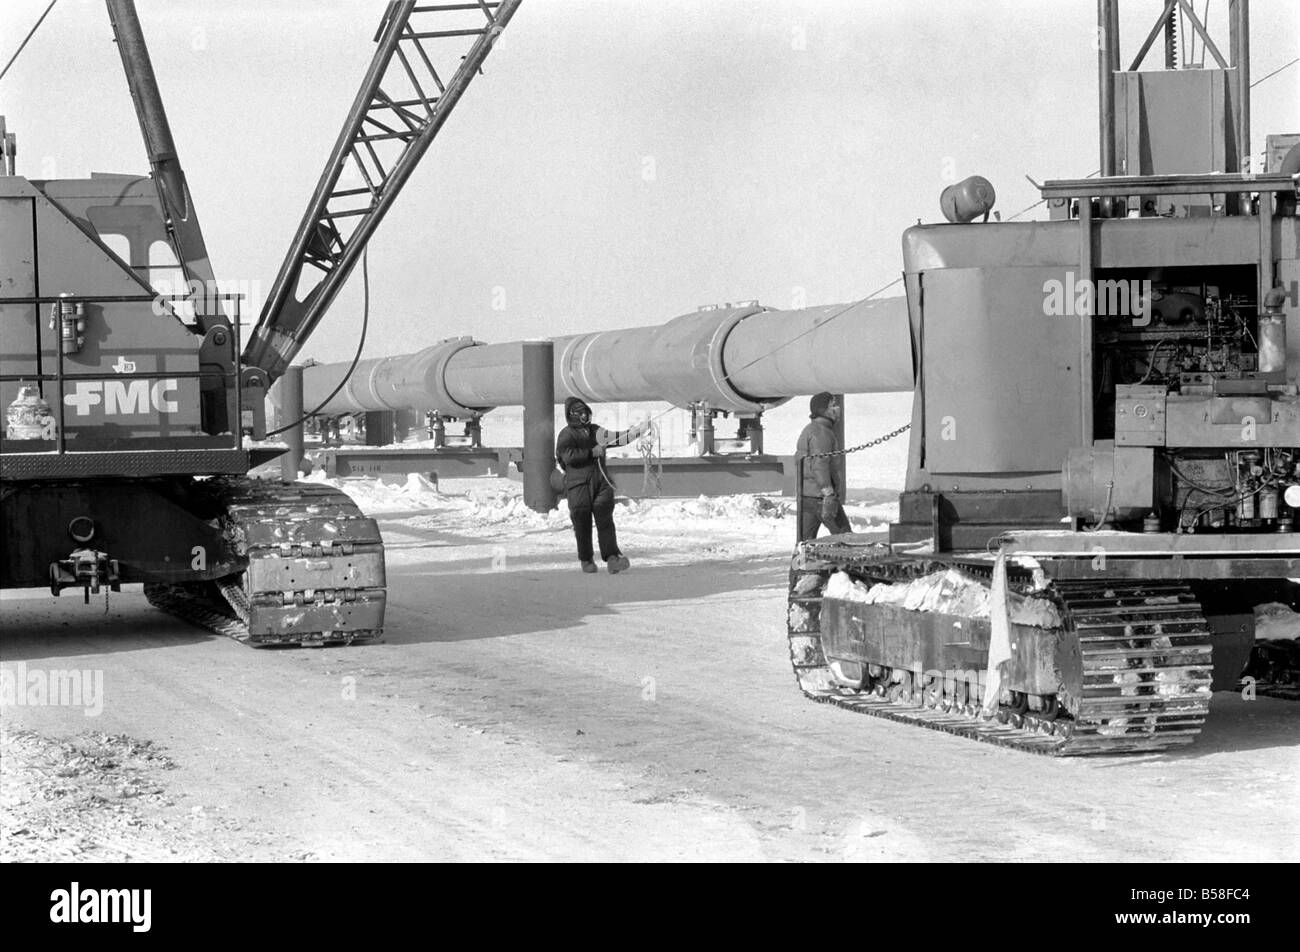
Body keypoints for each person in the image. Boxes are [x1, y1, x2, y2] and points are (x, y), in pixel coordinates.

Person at [555, 397, 648, 574]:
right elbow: (567, 456)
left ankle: (612, 558)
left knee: (605, 520)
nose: (584, 415)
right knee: (582, 523)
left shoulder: (596, 430)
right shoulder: (566, 435)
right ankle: (586, 559)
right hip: (578, 485)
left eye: (585, 412)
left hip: (601, 482)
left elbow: (615, 438)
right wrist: (591, 452)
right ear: (572, 415)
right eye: (580, 413)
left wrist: (635, 432)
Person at [795, 392, 852, 542]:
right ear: (823, 410)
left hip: (807, 496)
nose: (837, 408)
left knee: (805, 543)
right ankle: (845, 565)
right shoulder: (822, 433)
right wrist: (828, 493)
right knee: (845, 537)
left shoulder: (811, 429)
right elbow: (819, 464)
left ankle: (801, 565)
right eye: (833, 405)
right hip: (822, 497)